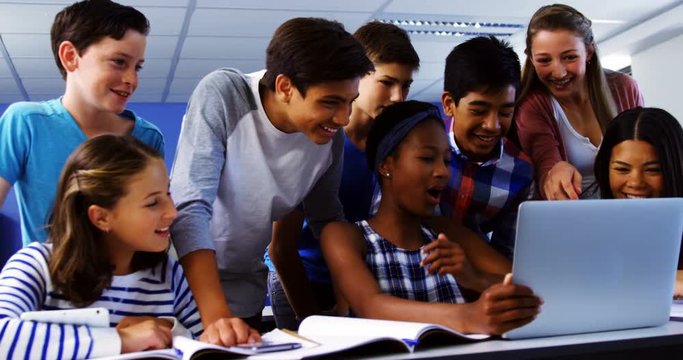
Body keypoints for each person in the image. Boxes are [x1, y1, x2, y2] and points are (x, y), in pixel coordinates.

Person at [169, 17, 373, 344]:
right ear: (285, 87)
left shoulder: (327, 134)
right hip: (180, 281)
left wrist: (351, 302)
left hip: (244, 283)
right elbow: (190, 207)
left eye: (350, 101)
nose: (344, 118)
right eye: (330, 102)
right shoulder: (224, 94)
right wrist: (216, 316)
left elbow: (326, 218)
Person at [321, 100, 542, 335]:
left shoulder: (446, 233)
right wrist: (468, 317)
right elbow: (371, 306)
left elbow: (530, 289)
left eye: (446, 161)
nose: (443, 172)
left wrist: (473, 277)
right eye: (427, 158)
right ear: (387, 165)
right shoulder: (345, 236)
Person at [266, 20, 420, 330]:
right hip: (301, 278)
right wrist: (309, 319)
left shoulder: (395, 145)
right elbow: (281, 248)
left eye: (405, 85)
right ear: (357, 75)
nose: (398, 96)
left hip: (359, 281)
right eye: (387, 83)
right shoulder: (316, 138)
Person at [0, 135, 202, 358]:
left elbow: (203, 345)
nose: (173, 212)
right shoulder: (35, 264)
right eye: (153, 202)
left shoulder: (170, 274)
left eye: (168, 194)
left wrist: (169, 328)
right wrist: (121, 340)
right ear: (101, 218)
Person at [0, 0, 164, 245]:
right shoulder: (26, 123)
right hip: (48, 279)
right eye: (119, 62)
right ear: (70, 57)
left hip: (125, 280)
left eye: (137, 67)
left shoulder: (148, 137)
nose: (131, 79)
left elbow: (154, 221)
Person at [514, 3, 643, 200]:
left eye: (569, 57)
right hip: (571, 213)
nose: (559, 72)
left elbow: (643, 152)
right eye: (544, 60)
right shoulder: (532, 105)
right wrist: (554, 173)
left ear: (589, 52)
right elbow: (545, 162)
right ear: (531, 59)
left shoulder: (624, 88)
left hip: (626, 207)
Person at [439, 36, 533, 259]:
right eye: (479, 111)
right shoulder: (418, 147)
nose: (492, 125)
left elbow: (508, 256)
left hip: (478, 278)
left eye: (505, 112)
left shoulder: (520, 172)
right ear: (449, 104)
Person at [593, 106, 683, 297]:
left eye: (652, 170)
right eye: (622, 169)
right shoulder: (592, 227)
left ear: (674, 167)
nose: (635, 183)